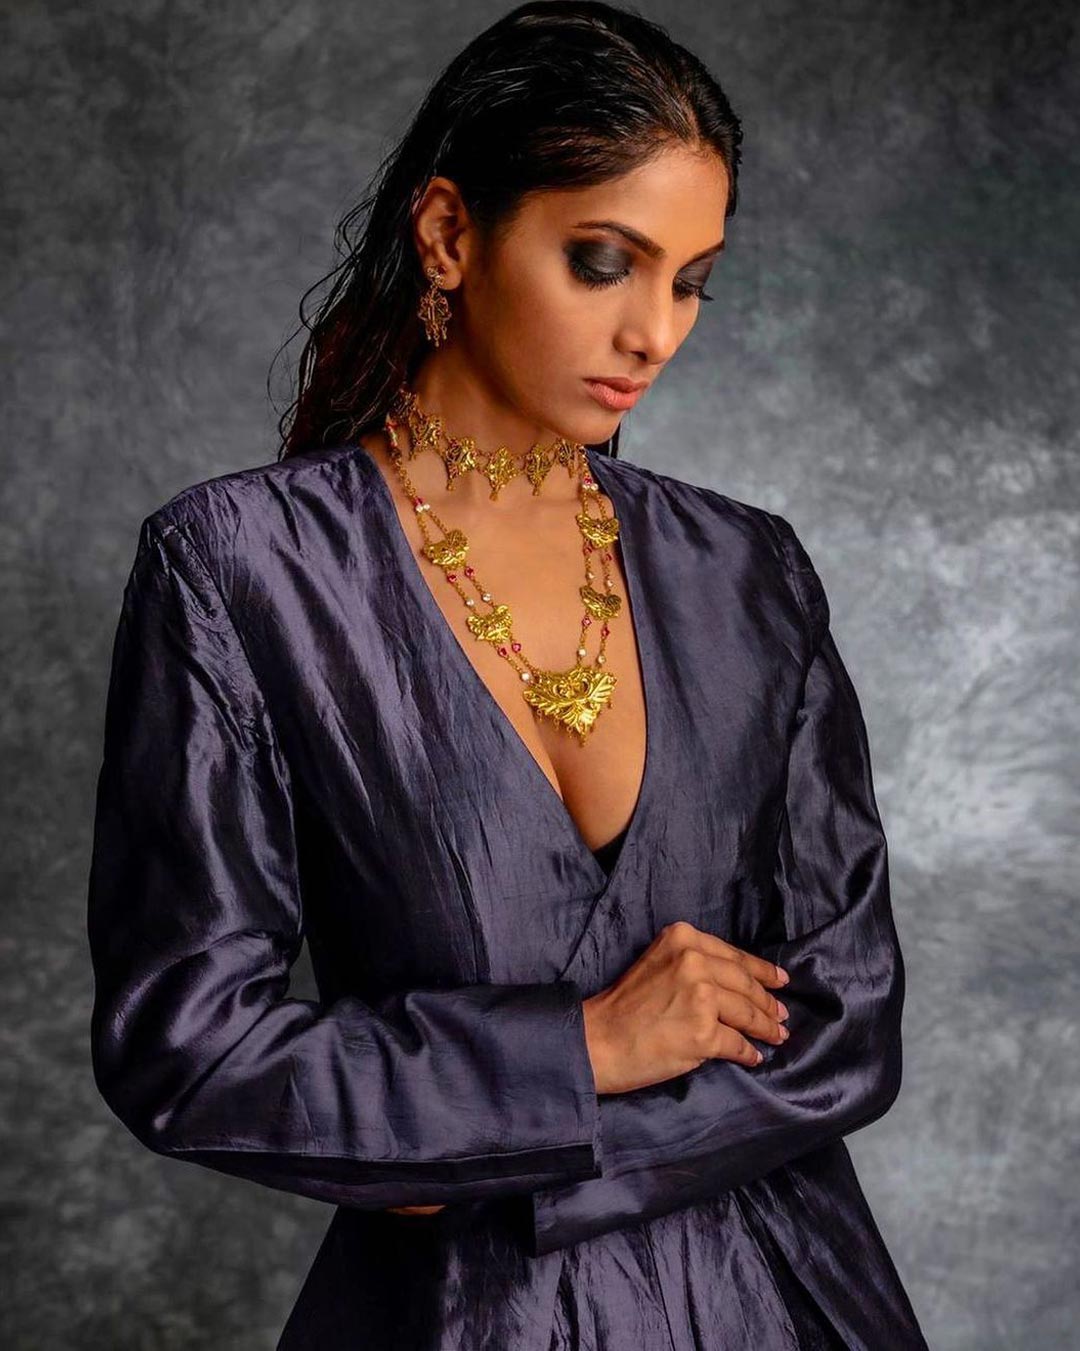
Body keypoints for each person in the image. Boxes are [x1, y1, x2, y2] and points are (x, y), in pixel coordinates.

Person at [86, 3, 929, 1347]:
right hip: (460, 1320)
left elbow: (845, 1019)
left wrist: (488, 1156)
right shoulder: (241, 566)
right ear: (448, 235)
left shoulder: (748, 571)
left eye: (692, 282)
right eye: (604, 262)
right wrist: (579, 1051)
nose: (655, 333)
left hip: (781, 1299)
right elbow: (187, 1046)